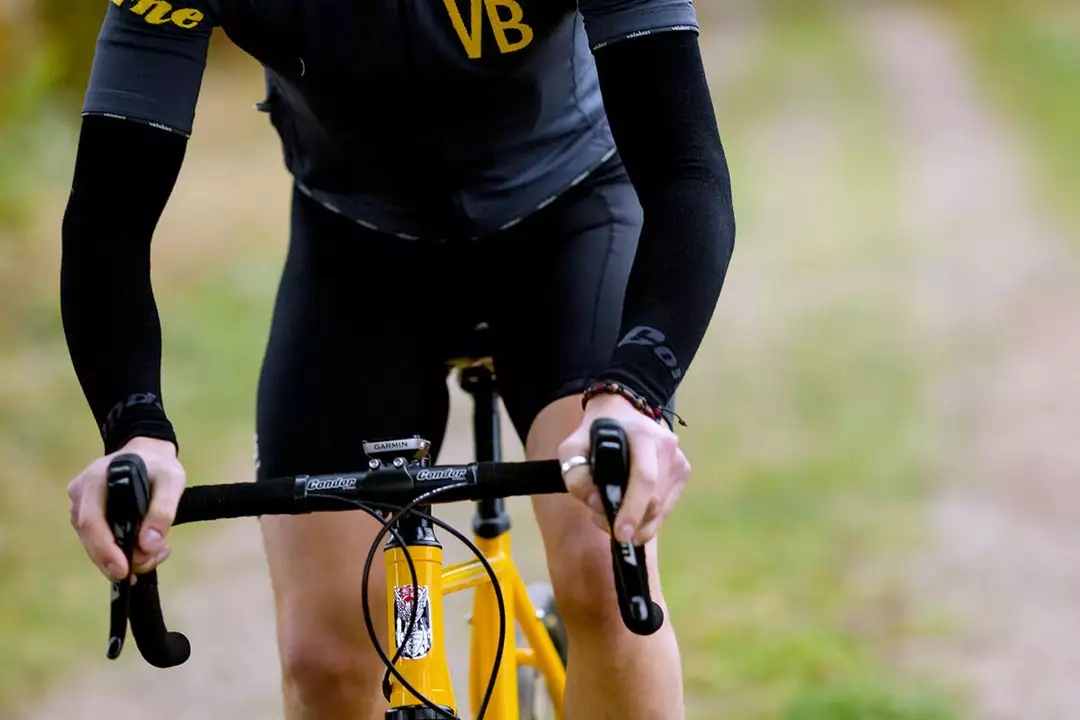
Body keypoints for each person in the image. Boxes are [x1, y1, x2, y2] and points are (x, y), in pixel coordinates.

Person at [62, 0, 735, 717]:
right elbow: (110, 218)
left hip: (570, 222)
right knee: (322, 659)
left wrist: (633, 394)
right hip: (357, 247)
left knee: (605, 578)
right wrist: (134, 431)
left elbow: (685, 172)